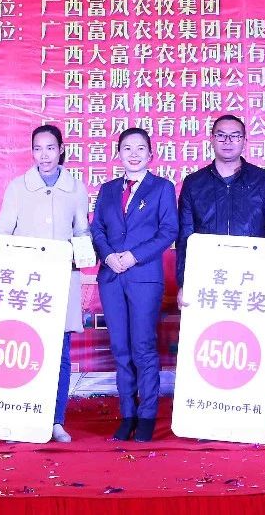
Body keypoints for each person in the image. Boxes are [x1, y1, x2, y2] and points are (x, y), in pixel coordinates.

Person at [0, 124, 91, 444]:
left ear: (61, 150)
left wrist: (82, 251)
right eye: (37, 148)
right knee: (26, 348)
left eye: (50, 148)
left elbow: (82, 230)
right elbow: (3, 230)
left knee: (60, 353)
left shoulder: (76, 188)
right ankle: (22, 418)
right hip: (27, 283)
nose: (44, 155)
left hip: (63, 278)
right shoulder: (18, 188)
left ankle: (56, 420)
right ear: (31, 151)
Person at [89, 127, 177, 443]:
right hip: (111, 276)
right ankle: (128, 414)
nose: (134, 154)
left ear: (151, 154)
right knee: (120, 348)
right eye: (127, 148)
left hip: (144, 277)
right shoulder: (108, 189)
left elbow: (169, 231)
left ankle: (147, 416)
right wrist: (108, 255)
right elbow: (97, 229)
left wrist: (133, 256)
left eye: (140, 148)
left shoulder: (162, 188)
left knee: (143, 346)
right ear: (118, 154)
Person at [175, 114, 265, 304]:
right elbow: (185, 237)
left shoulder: (264, 180)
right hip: (208, 276)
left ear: (244, 141)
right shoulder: (194, 183)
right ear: (211, 139)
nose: (227, 141)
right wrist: (185, 283)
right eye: (221, 135)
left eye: (235, 136)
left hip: (253, 275)